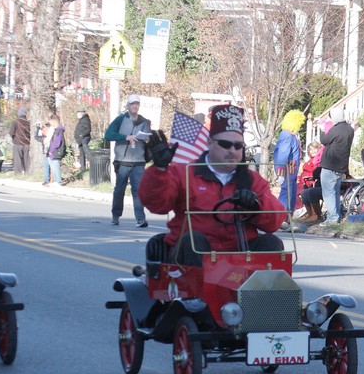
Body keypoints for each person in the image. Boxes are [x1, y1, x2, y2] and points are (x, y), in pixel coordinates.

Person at [139, 103, 286, 265]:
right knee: (194, 241)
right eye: (225, 144)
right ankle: (202, 288)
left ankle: (261, 290)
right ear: (209, 143)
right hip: (194, 254)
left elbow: (275, 222)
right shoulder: (185, 173)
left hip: (238, 254)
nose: (232, 150)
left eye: (238, 146)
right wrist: (159, 169)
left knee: (272, 244)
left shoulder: (251, 180)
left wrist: (256, 206)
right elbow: (157, 205)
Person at [105, 95, 151, 227]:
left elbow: (149, 137)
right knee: (120, 189)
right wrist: (125, 137)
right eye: (132, 104)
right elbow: (108, 135)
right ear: (128, 106)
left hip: (139, 160)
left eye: (137, 104)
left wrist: (148, 139)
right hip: (123, 160)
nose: (135, 106)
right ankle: (116, 216)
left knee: (138, 190)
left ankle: (140, 219)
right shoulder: (120, 119)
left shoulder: (145, 121)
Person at [319, 107, 354, 226]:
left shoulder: (336, 129)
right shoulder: (349, 129)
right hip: (341, 166)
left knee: (328, 193)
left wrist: (322, 130)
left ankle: (333, 218)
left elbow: (324, 140)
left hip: (330, 165)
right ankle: (337, 215)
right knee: (335, 192)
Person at [273, 109, 304, 215]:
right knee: (286, 194)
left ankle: (287, 218)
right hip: (287, 171)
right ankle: (280, 218)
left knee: (291, 195)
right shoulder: (287, 136)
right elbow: (282, 155)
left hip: (291, 171)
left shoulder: (290, 135)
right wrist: (280, 174)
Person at [297, 142, 324, 222]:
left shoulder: (319, 161)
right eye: (310, 150)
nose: (312, 151)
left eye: (314, 149)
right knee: (303, 192)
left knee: (309, 192)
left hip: (316, 183)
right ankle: (310, 214)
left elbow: (316, 173)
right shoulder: (311, 161)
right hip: (307, 181)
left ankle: (317, 215)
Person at [41, 115, 66, 186]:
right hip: (53, 151)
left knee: (55, 165)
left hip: (55, 151)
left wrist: (51, 151)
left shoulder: (58, 130)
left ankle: (58, 181)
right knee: (53, 165)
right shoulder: (57, 130)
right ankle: (56, 180)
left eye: (51, 122)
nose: (50, 124)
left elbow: (56, 143)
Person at [9, 108, 31, 174]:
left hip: (17, 143)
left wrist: (14, 138)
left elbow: (11, 133)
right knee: (27, 159)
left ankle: (18, 172)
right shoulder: (29, 123)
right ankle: (27, 172)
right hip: (27, 143)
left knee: (17, 159)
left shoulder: (15, 122)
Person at [73, 109, 92, 175]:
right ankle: (82, 168)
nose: (77, 115)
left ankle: (90, 158)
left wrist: (82, 135)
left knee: (85, 146)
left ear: (81, 114)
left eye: (78, 114)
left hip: (84, 137)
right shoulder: (81, 120)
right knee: (81, 153)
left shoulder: (85, 120)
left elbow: (88, 129)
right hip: (80, 139)